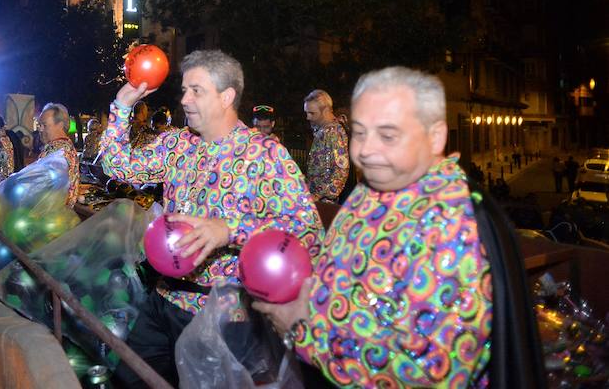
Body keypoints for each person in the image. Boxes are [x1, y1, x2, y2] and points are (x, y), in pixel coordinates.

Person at [255, 67, 492, 387]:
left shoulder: (451, 228)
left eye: (388, 134)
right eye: (362, 132)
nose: (364, 150)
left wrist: (301, 331)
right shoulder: (375, 192)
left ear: (435, 136)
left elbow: (426, 372)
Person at [101, 50, 323, 388]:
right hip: (162, 299)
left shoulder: (264, 154)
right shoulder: (177, 144)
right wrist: (122, 106)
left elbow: (307, 231)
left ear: (226, 96)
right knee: (128, 378)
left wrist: (232, 230)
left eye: (196, 90)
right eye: (184, 89)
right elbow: (117, 166)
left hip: (222, 315)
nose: (184, 99)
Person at [303, 89, 350, 202]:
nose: (308, 117)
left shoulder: (334, 133)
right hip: (317, 199)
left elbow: (340, 172)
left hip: (325, 202)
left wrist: (318, 196)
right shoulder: (324, 130)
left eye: (312, 113)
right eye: (307, 113)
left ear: (325, 111)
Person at [37, 103, 80, 206]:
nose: (40, 129)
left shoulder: (56, 149)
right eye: (40, 125)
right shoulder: (66, 145)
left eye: (44, 125)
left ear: (60, 125)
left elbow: (39, 185)